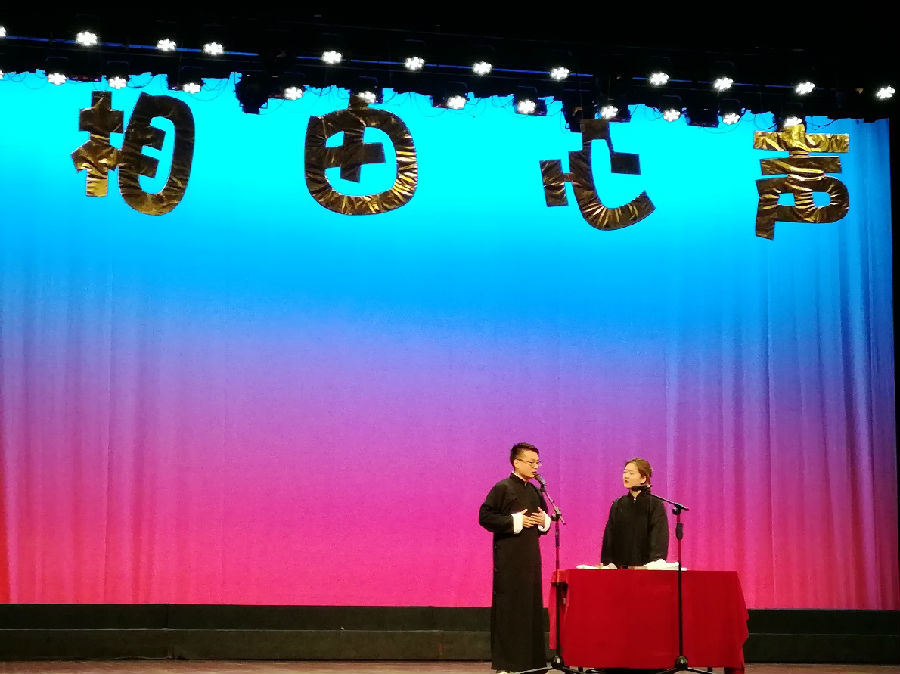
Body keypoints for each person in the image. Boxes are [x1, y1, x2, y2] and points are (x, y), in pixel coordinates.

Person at [479, 442, 551, 673]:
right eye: (531, 462)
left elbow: (544, 517)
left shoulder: (535, 491)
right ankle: (508, 664)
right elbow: (485, 516)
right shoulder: (503, 487)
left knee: (530, 607)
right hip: (509, 558)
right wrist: (515, 521)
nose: (535, 467)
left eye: (537, 462)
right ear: (516, 462)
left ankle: (531, 662)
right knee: (510, 608)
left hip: (531, 558)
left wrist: (544, 522)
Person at [600, 457, 668, 568]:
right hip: (619, 569)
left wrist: (652, 565)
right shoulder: (618, 504)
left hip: (645, 569)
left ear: (643, 478)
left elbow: (659, 539)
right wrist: (608, 563)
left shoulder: (655, 505)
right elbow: (609, 537)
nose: (626, 476)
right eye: (625, 472)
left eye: (631, 473)